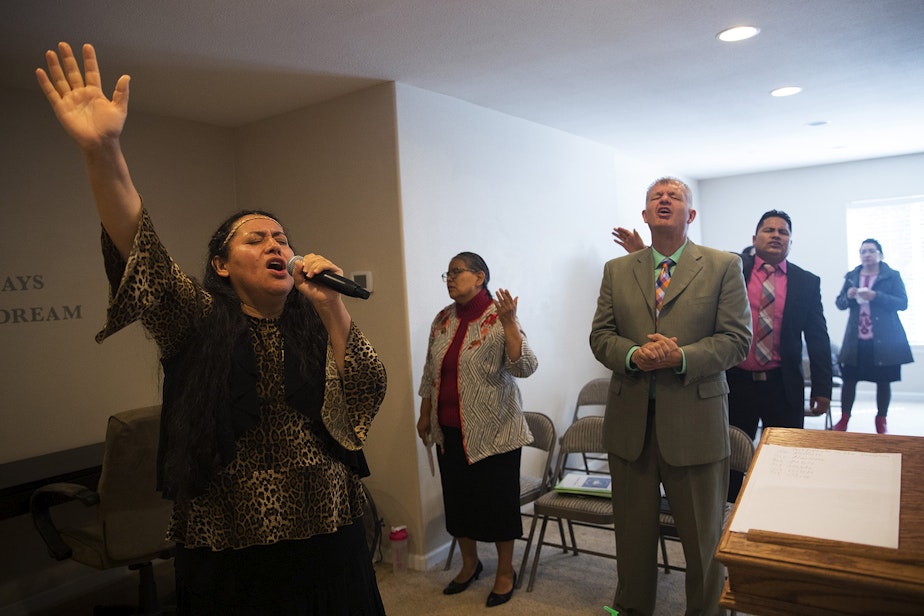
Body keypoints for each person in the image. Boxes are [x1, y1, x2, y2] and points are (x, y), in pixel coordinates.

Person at [37, 42, 388, 614]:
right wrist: (104, 151)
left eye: (282, 238)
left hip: (332, 526)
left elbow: (366, 391)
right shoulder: (196, 319)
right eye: (256, 238)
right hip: (230, 542)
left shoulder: (316, 323)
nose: (276, 245)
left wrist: (332, 306)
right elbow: (140, 252)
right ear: (222, 265)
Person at [592, 178, 751, 616]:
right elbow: (600, 336)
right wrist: (632, 354)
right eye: (655, 197)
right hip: (630, 428)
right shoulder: (617, 270)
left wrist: (679, 356)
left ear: (690, 215)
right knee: (633, 540)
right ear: (645, 215)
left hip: (696, 426)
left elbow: (737, 341)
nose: (664, 200)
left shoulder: (722, 266)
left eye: (675, 196)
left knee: (703, 544)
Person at [614, 212, 832, 499]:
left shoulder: (807, 282)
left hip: (783, 385)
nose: (776, 235)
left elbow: (818, 338)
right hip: (734, 382)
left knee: (785, 460)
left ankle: (779, 519)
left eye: (783, 232)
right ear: (754, 239)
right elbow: (682, 272)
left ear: (791, 242)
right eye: (768, 230)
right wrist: (642, 255)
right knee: (727, 463)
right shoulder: (729, 267)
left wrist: (822, 387)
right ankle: (725, 522)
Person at [416, 252, 538, 608]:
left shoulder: (499, 318)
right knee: (459, 503)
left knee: (498, 507)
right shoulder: (442, 319)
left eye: (457, 272)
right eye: (447, 274)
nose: (450, 279)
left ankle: (504, 572)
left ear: (480, 276)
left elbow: (525, 366)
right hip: (450, 432)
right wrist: (425, 414)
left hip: (496, 432)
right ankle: (470, 564)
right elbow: (429, 372)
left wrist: (512, 323)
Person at [834, 239, 913, 434]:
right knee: (849, 380)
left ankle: (881, 421)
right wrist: (849, 296)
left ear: (880, 254)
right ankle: (844, 419)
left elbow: (903, 303)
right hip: (856, 339)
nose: (867, 254)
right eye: (863, 251)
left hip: (884, 340)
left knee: (883, 381)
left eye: (871, 251)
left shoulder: (892, 276)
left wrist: (876, 296)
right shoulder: (852, 276)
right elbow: (840, 303)